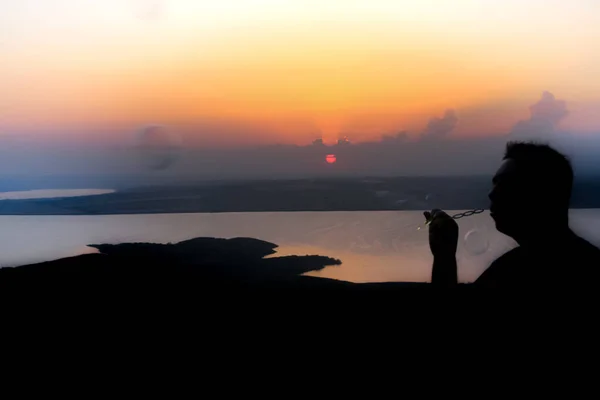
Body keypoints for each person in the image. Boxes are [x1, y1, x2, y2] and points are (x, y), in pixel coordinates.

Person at [426, 141, 600, 287]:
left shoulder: (512, 270)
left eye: (506, 185)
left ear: (541, 193)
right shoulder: (588, 262)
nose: (492, 194)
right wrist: (444, 255)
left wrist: (444, 258)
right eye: (495, 184)